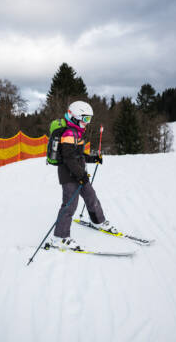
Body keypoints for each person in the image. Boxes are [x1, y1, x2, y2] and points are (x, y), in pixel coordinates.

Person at [51, 101, 117, 251]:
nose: (87, 123)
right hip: (68, 175)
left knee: (90, 196)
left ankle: (97, 221)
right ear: (75, 117)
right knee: (70, 205)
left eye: (89, 120)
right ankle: (60, 238)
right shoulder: (68, 134)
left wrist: (93, 159)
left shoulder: (77, 132)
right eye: (85, 119)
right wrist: (81, 175)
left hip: (79, 173)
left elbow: (78, 155)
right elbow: (68, 158)